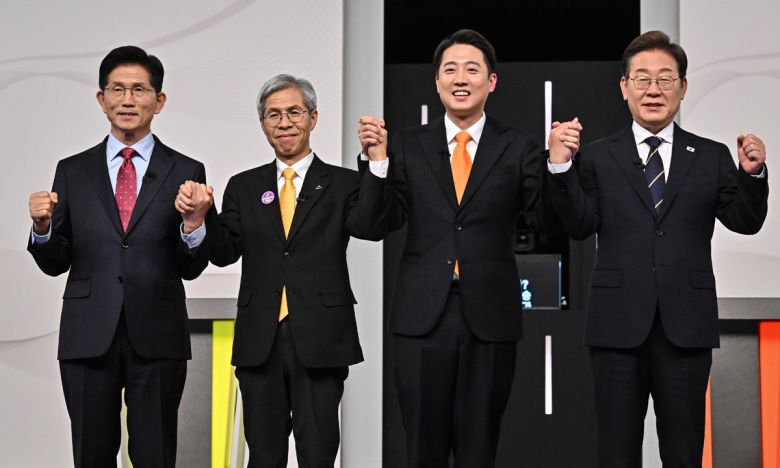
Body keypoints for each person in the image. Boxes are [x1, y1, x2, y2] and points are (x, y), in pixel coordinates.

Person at [546, 30, 768, 467]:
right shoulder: (596, 157)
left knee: (684, 454)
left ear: (683, 88)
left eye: (665, 79)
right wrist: (559, 166)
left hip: (685, 328)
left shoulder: (710, 156)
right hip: (616, 328)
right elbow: (579, 225)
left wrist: (752, 175)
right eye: (642, 79)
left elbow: (745, 221)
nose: (653, 90)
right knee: (617, 454)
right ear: (624, 86)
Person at [358, 29, 579, 467]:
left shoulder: (518, 145)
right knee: (422, 448)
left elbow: (547, 221)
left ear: (491, 82)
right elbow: (373, 224)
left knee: (479, 448)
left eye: (472, 69)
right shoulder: (406, 143)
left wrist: (558, 164)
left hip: (490, 316)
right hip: (421, 317)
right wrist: (376, 162)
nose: (461, 79)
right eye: (450, 70)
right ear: (437, 81)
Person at [175, 74, 386, 468]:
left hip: (322, 339)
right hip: (260, 341)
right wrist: (199, 219)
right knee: (263, 455)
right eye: (274, 115)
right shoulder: (243, 186)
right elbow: (224, 253)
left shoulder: (343, 183)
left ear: (313, 118)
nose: (284, 122)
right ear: (262, 124)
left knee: (318, 455)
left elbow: (371, 227)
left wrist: (376, 163)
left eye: (294, 112)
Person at [27, 45, 211, 467]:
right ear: (102, 98)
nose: (128, 100)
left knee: (155, 455)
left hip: (158, 334)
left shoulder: (187, 170)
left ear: (159, 101)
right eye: (117, 89)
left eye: (139, 90)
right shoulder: (72, 170)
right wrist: (42, 228)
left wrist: (193, 225)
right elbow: (56, 262)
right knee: (91, 455)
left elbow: (191, 266)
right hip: (88, 333)